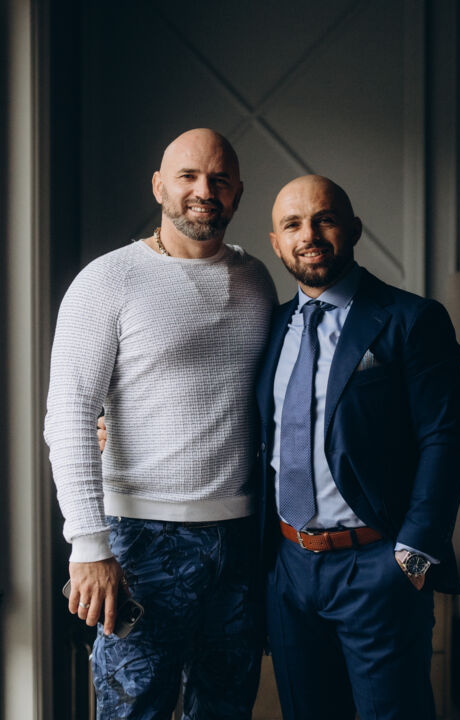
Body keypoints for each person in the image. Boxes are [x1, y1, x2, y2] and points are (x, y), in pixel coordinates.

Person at [44, 128, 277, 719]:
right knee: (134, 710)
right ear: (158, 187)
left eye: (219, 179)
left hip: (239, 540)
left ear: (238, 193)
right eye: (188, 176)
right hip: (138, 541)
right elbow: (69, 414)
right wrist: (87, 544)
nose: (204, 191)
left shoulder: (256, 281)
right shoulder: (108, 280)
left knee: (226, 708)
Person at [256, 174, 460, 720]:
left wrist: (412, 554)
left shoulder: (411, 319)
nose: (309, 235)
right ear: (276, 243)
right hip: (288, 568)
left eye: (325, 219)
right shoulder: (270, 327)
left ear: (353, 229)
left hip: (377, 567)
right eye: (293, 225)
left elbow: (447, 439)